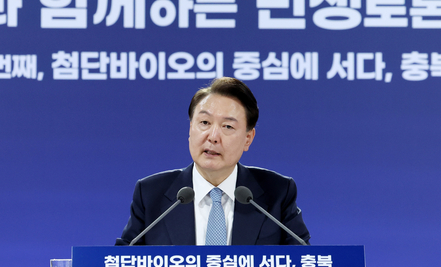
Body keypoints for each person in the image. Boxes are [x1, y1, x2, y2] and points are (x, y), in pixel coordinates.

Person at [115, 77, 310, 246]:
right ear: (190, 129)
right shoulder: (151, 194)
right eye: (204, 123)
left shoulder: (277, 194)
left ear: (248, 138)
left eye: (227, 126)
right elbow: (121, 263)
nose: (213, 136)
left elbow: (305, 262)